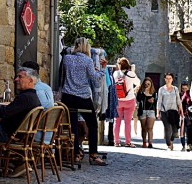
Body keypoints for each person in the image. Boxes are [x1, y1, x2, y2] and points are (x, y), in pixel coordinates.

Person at [59, 37, 107, 166]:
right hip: (82, 97)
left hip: (68, 96)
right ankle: (93, 154)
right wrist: (102, 70)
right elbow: (94, 79)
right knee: (92, 124)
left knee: (72, 126)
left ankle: (76, 153)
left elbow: (62, 76)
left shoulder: (67, 59)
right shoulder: (88, 61)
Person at [0, 67, 42, 144]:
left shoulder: (25, 98)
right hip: (17, 135)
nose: (16, 80)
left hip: (6, 134)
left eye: (20, 77)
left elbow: (4, 113)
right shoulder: (33, 97)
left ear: (30, 80)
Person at [112, 58, 140, 148]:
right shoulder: (131, 74)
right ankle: (128, 142)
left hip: (118, 100)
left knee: (117, 122)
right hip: (130, 100)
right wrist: (133, 71)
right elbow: (138, 83)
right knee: (128, 122)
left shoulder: (116, 74)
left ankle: (116, 142)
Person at [157, 73, 182, 151]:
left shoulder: (175, 89)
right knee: (167, 128)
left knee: (175, 130)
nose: (168, 80)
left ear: (172, 79)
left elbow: (178, 100)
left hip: (174, 111)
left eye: (170, 78)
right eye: (167, 78)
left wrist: (181, 110)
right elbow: (159, 101)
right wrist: (158, 112)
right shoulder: (161, 89)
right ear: (164, 79)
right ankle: (169, 144)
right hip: (164, 112)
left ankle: (171, 140)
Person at [136, 77, 157, 148]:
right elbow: (138, 99)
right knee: (144, 128)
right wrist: (144, 92)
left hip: (151, 111)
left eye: (148, 84)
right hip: (143, 111)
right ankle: (144, 142)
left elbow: (156, 101)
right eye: (145, 84)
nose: (147, 85)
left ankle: (150, 143)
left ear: (151, 84)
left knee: (150, 127)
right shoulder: (141, 91)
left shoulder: (154, 92)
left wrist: (153, 100)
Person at [180, 81, 192, 152]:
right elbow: (182, 103)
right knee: (189, 129)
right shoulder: (187, 93)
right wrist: (183, 114)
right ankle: (189, 144)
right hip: (188, 114)